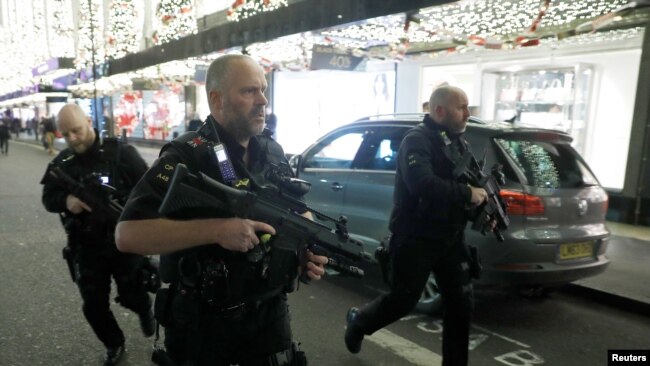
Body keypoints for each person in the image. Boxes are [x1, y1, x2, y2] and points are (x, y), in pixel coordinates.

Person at [115, 54, 328, 366]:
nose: (262, 101)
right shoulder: (186, 156)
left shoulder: (272, 151)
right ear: (216, 100)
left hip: (269, 317)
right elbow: (127, 235)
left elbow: (297, 210)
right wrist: (217, 230)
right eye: (249, 91)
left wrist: (307, 246)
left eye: (263, 90)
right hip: (202, 325)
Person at [344, 86, 491, 366]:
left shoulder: (459, 142)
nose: (467, 114)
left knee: (461, 305)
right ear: (439, 111)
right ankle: (359, 322)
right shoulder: (417, 140)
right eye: (461, 107)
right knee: (403, 301)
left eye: (468, 107)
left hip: (450, 237)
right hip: (416, 237)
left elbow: (467, 184)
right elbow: (422, 183)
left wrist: (479, 205)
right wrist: (466, 194)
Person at [41, 104, 155, 366]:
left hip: (124, 242)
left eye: (76, 131)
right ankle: (114, 343)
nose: (72, 139)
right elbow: (48, 197)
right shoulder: (62, 164)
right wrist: (66, 199)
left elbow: (150, 188)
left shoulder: (121, 154)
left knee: (132, 294)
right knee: (92, 305)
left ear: (89, 122)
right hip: (86, 246)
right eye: (65, 134)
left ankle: (144, 308)